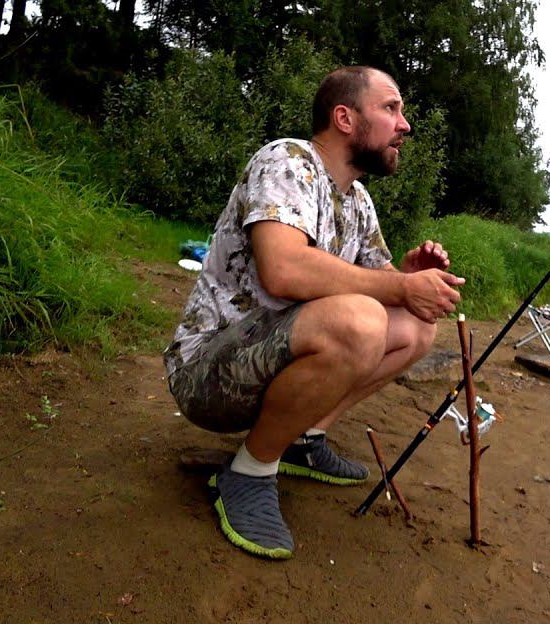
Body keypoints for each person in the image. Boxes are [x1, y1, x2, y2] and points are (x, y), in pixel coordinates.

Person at [163, 66, 465, 560]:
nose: (404, 124)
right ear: (344, 118)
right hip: (207, 372)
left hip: (268, 359)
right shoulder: (288, 161)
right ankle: (248, 472)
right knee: (361, 322)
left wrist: (407, 278)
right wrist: (396, 286)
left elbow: (384, 284)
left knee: (415, 328)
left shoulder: (358, 201)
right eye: (391, 108)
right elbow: (282, 270)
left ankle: (304, 438)